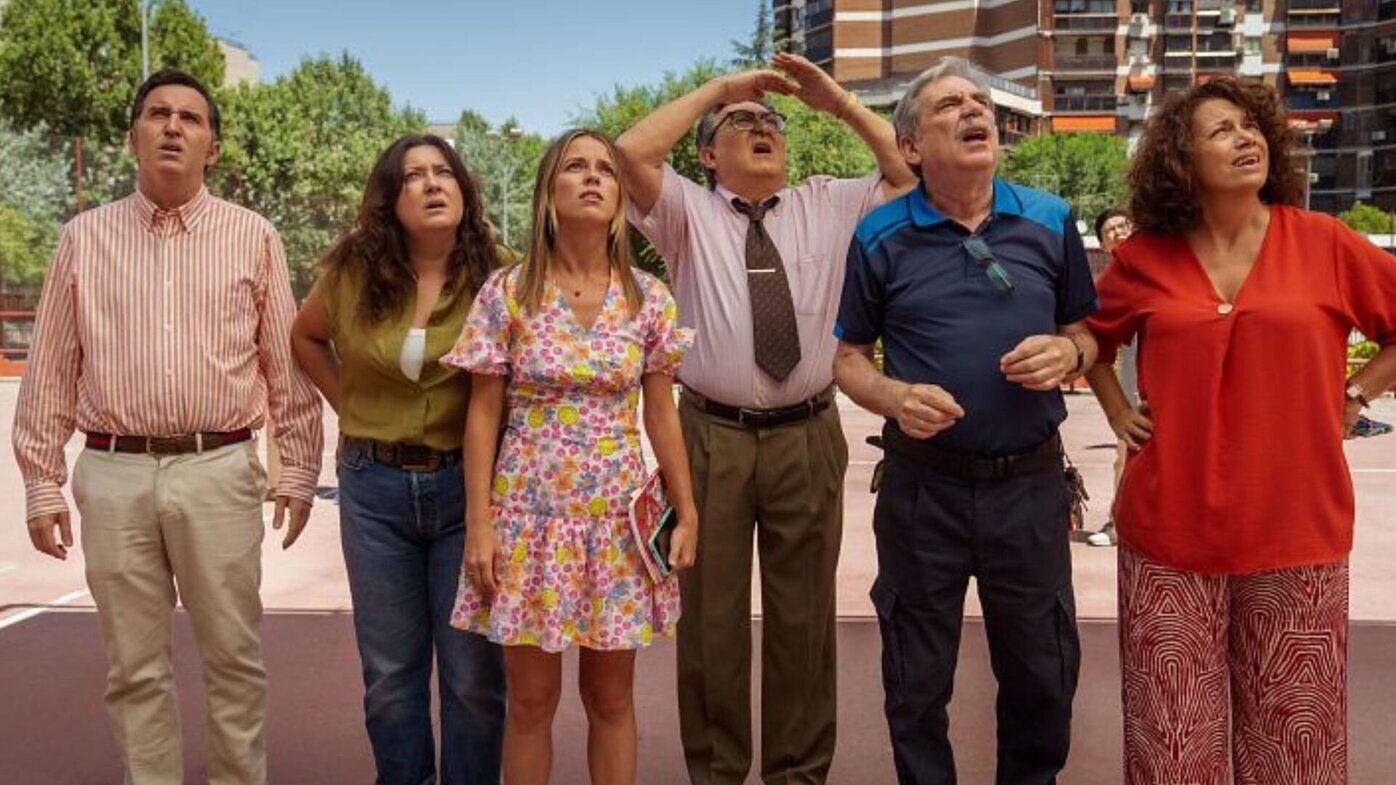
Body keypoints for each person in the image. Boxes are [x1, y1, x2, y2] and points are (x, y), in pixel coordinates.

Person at [12, 69, 323, 785]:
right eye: (157, 114)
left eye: (191, 117)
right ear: (133, 139)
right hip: (113, 473)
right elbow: (52, 365)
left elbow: (283, 365)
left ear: (213, 146)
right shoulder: (83, 238)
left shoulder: (253, 237)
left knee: (234, 658)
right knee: (133, 668)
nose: (174, 126)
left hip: (220, 469)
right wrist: (41, 480)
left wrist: (300, 468)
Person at [1085, 76, 1396, 784]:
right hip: (1168, 534)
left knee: (1296, 754)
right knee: (1171, 754)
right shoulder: (1144, 258)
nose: (1245, 137)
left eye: (1251, 125)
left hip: (1297, 533)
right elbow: (1089, 341)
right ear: (1182, 159)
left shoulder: (1323, 242)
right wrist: (1117, 410)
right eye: (1221, 130)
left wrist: (1355, 392)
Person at [616, 52, 915, 785]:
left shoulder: (829, 202)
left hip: (807, 432)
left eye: (771, 120)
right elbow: (629, 153)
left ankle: (797, 774)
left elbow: (907, 172)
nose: (762, 127)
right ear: (707, 155)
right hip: (710, 436)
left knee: (803, 621)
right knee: (710, 621)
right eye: (740, 122)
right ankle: (717, 772)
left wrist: (838, 103)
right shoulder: (687, 212)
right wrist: (723, 87)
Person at [832, 57, 1098, 785]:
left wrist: (1069, 351)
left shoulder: (1050, 219)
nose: (974, 110)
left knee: (1043, 673)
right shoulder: (879, 235)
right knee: (915, 682)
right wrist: (894, 398)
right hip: (923, 492)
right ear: (911, 145)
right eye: (950, 104)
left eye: (979, 100)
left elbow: (1085, 333)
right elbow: (848, 359)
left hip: (1030, 488)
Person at [443, 129, 698, 785]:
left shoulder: (648, 298)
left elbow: (661, 413)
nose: (592, 177)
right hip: (528, 522)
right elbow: (482, 414)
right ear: (547, 192)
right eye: (575, 167)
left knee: (610, 699)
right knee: (531, 702)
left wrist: (687, 510)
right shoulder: (508, 293)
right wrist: (479, 523)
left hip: (617, 525)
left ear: (620, 196)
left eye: (605, 170)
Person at [290, 134, 506, 785]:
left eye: (444, 172)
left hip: (470, 492)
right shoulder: (352, 272)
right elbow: (306, 336)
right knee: (389, 677)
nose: (433, 183)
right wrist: (350, 407)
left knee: (472, 677)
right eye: (414, 175)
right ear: (391, 197)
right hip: (373, 492)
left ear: (464, 189)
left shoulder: (503, 275)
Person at [1085, 207, 1134, 547]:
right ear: (1102, 244)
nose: (1118, 232)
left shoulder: (1160, 266)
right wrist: (1116, 408)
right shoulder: (1111, 283)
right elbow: (1090, 339)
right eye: (1110, 230)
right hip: (1132, 378)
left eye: (1123, 225)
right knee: (1127, 451)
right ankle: (1120, 523)